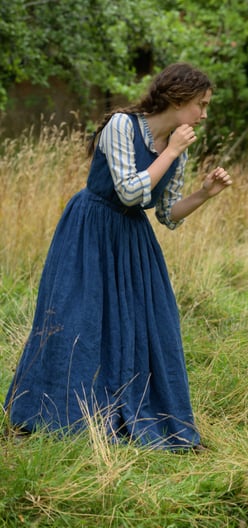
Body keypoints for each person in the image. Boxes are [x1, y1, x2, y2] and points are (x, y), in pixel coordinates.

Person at [5, 63, 232, 450]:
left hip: (132, 239)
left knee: (151, 323)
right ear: (178, 100)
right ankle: (47, 417)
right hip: (90, 229)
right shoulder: (122, 127)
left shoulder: (177, 150)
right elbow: (129, 192)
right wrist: (173, 150)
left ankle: (140, 416)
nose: (204, 114)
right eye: (201, 104)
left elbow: (166, 214)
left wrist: (204, 195)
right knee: (77, 318)